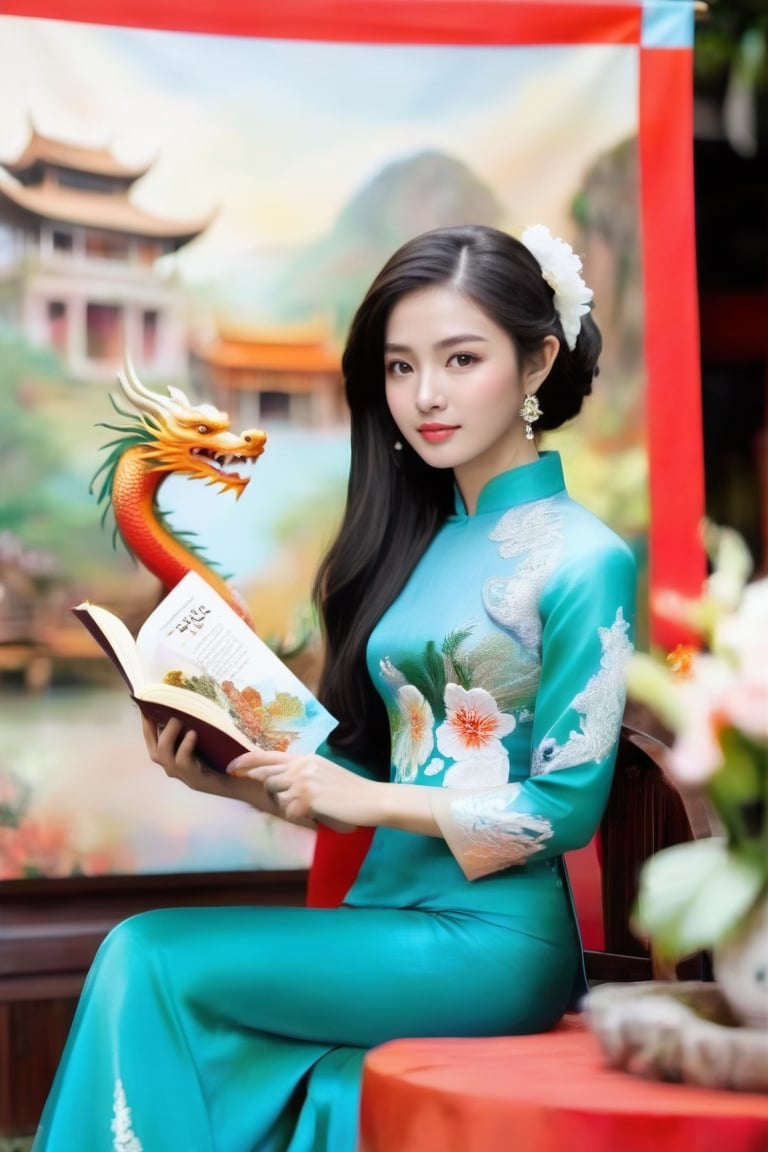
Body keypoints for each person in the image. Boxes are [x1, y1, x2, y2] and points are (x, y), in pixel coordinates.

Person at [32, 223, 636, 1152]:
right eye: (399, 368)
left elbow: (563, 811)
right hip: (386, 922)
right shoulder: (419, 540)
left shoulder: (584, 558)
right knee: (159, 977)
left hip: (494, 940)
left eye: (460, 358)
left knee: (146, 955)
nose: (424, 396)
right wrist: (224, 779)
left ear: (536, 361)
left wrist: (365, 792)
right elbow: (359, 805)